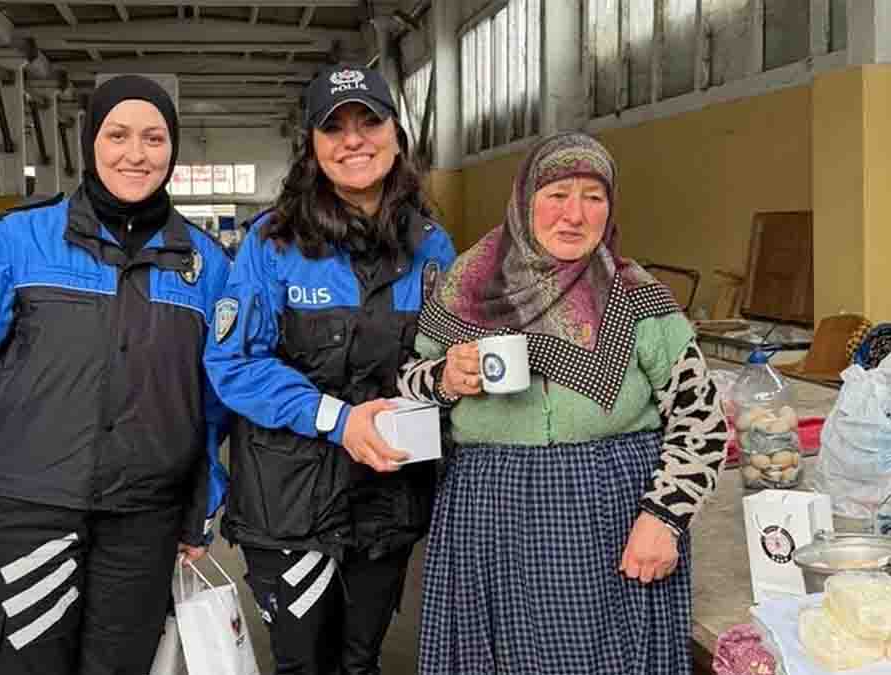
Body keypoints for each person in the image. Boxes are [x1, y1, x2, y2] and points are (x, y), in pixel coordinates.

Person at [0, 75, 231, 675]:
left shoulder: (204, 264)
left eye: (154, 138)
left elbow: (211, 405)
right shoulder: (18, 241)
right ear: (91, 142)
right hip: (27, 511)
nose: (136, 154)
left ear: (173, 150)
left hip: (144, 519)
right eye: (118, 135)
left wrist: (200, 510)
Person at [398, 132, 729, 674]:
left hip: (614, 516)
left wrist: (664, 517)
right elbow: (409, 383)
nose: (574, 214)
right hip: (491, 516)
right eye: (556, 194)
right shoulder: (465, 287)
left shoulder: (637, 296)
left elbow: (700, 419)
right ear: (525, 199)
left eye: (593, 196)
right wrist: (445, 377)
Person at [203, 65, 456, 675]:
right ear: (312, 148)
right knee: (302, 664)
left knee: (360, 660)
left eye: (369, 121)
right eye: (333, 126)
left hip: (386, 493)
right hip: (287, 499)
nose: (354, 139)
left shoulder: (432, 247)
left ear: (396, 136)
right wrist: (335, 418)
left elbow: (440, 366)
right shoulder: (273, 243)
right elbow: (233, 363)